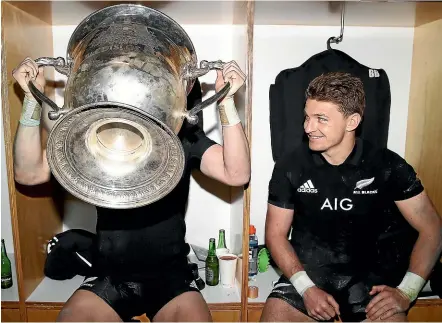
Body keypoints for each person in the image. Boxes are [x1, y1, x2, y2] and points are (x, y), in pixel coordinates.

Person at [12, 57, 250, 322]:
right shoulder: (96, 137)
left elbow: (237, 173)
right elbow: (28, 174)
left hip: (171, 275)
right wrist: (33, 98)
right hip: (110, 275)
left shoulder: (183, 139)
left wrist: (226, 100)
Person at [260, 72, 442, 322]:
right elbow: (275, 235)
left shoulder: (388, 167)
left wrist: (406, 292)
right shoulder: (290, 166)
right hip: (309, 277)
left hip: (372, 286)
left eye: (320, 119)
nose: (308, 127)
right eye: (307, 117)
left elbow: (432, 229)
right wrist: (306, 288)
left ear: (352, 121)